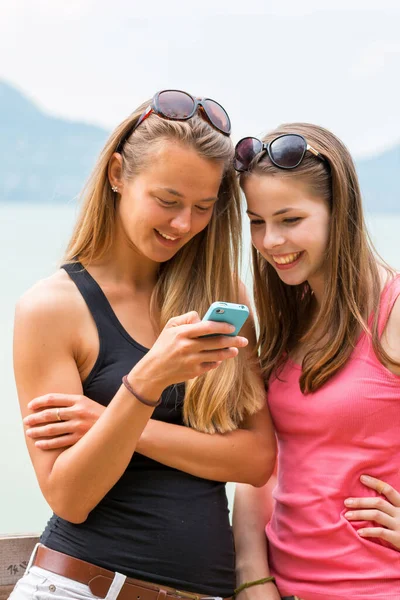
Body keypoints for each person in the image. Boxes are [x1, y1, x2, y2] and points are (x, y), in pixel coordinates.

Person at [12, 90, 276, 600]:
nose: (183, 225)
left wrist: (114, 423)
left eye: (203, 207)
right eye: (168, 201)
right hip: (80, 588)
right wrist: (148, 379)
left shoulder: (223, 297)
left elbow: (255, 458)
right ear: (117, 175)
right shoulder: (51, 309)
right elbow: (70, 496)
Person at [232, 124, 400, 600]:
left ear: (338, 212)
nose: (270, 241)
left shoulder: (394, 310)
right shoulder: (290, 324)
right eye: (257, 221)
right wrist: (252, 577)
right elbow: (263, 464)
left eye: (289, 219)